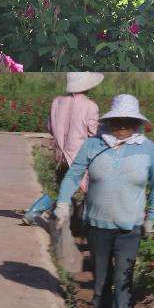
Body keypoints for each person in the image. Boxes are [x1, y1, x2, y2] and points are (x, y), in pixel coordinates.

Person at [53, 94, 154, 308]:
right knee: (102, 281)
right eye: (118, 121)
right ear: (109, 121)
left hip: (130, 227)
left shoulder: (147, 148)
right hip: (97, 225)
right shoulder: (93, 145)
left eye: (128, 121)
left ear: (137, 123)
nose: (122, 126)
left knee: (123, 278)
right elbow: (73, 175)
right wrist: (62, 203)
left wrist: (153, 218)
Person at [49, 72, 102, 207]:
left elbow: (50, 127)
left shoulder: (57, 101)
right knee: (87, 192)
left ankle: (35, 211)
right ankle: (79, 222)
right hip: (79, 158)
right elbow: (93, 132)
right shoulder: (90, 106)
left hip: (60, 157)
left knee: (61, 190)